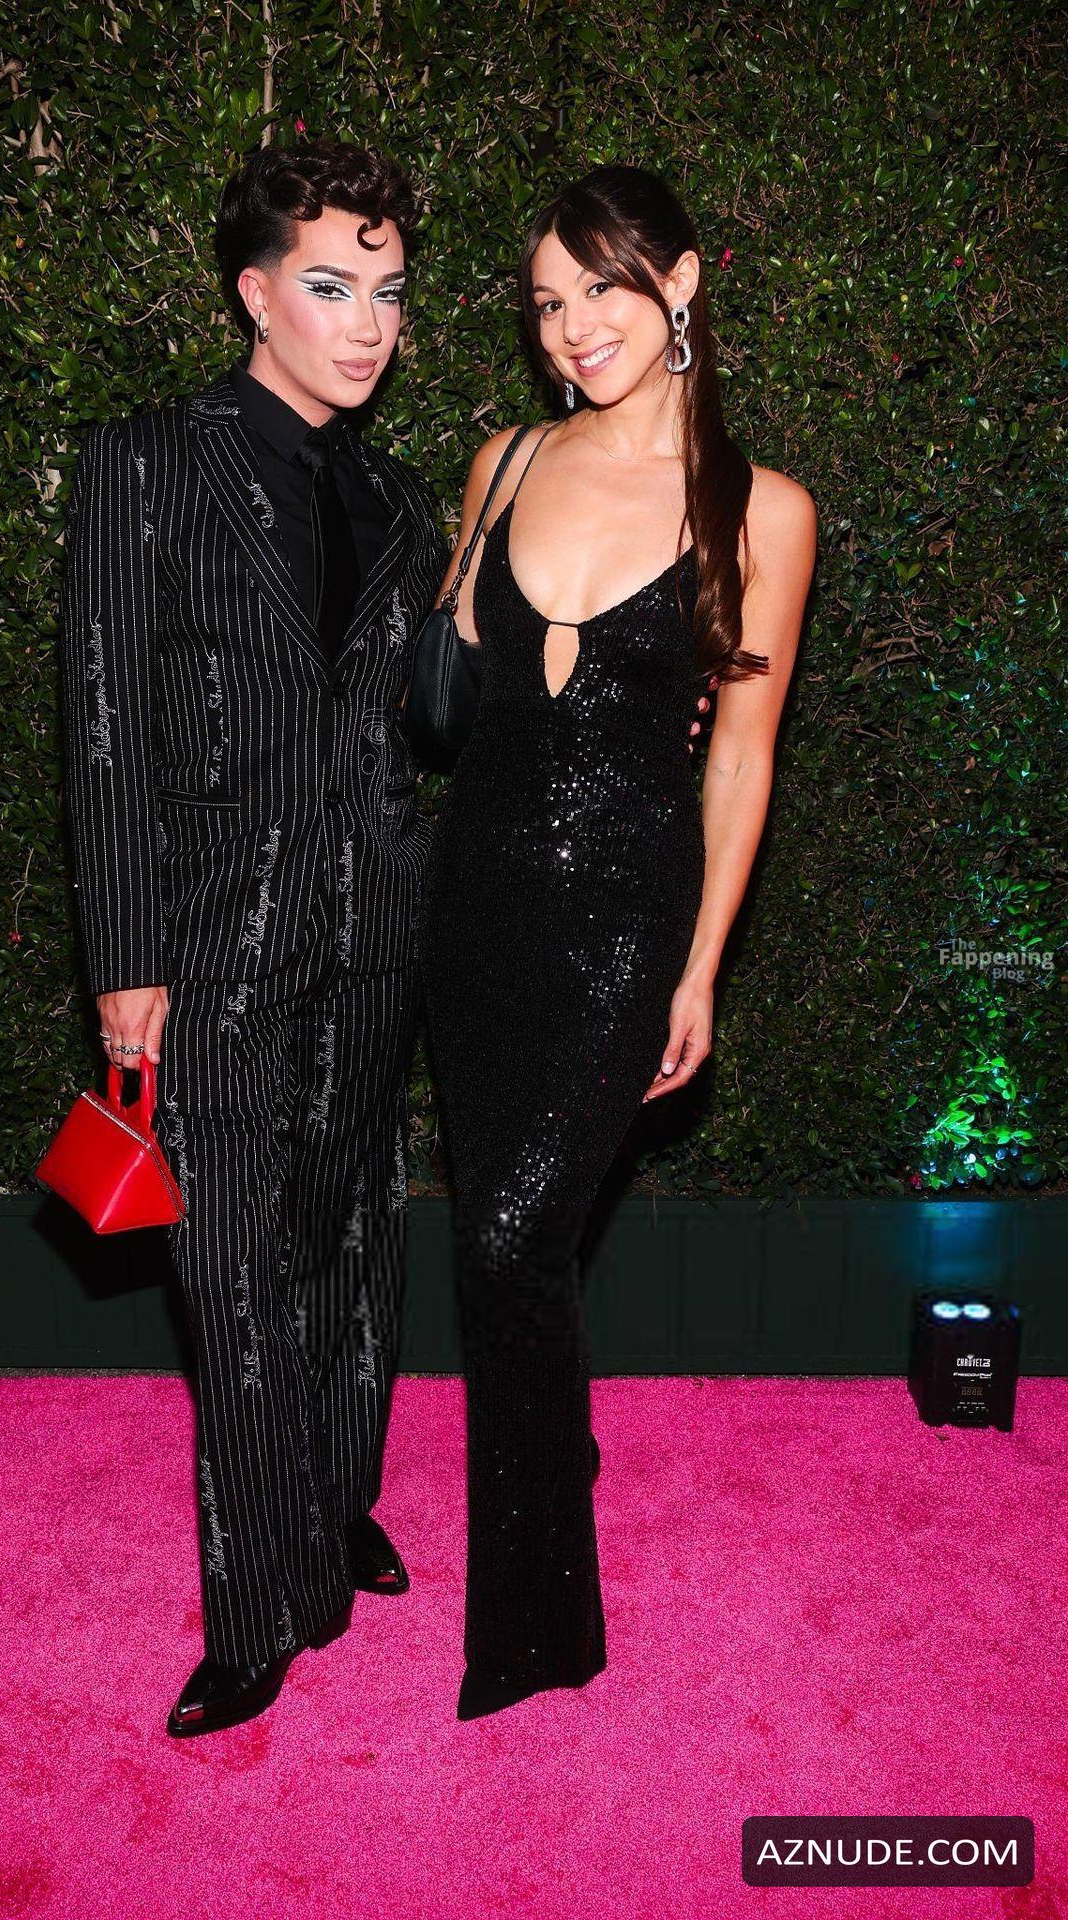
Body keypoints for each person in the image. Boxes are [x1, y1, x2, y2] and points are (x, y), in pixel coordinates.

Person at [58, 140, 447, 1736]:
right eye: (332, 287)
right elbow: (103, 727)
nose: (368, 325)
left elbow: (426, 710)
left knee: (355, 1239)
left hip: (378, 927)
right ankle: (252, 1605)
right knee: (232, 1270)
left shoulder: (401, 497)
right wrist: (125, 957)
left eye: (391, 293)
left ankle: (334, 1506)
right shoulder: (147, 461)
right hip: (212, 939)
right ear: (254, 293)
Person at [419, 164, 816, 1721]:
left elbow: (743, 759)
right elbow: (449, 693)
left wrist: (701, 964)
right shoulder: (505, 462)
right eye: (546, 301)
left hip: (624, 920)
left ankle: (538, 1627)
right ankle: (554, 1439)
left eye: (600, 286)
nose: (572, 325)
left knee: (513, 1243)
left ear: (683, 282)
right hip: (477, 903)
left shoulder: (759, 510)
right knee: (509, 1244)